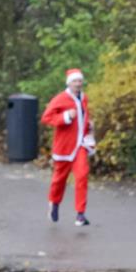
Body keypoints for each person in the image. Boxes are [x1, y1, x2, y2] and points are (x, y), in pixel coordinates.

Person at [41, 68, 96, 226]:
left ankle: (80, 214)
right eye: (75, 81)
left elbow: (83, 117)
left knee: (82, 175)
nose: (78, 84)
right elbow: (46, 118)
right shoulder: (61, 99)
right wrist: (66, 117)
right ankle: (54, 203)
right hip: (64, 146)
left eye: (80, 81)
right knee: (59, 179)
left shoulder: (84, 98)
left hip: (80, 145)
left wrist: (88, 126)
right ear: (69, 83)